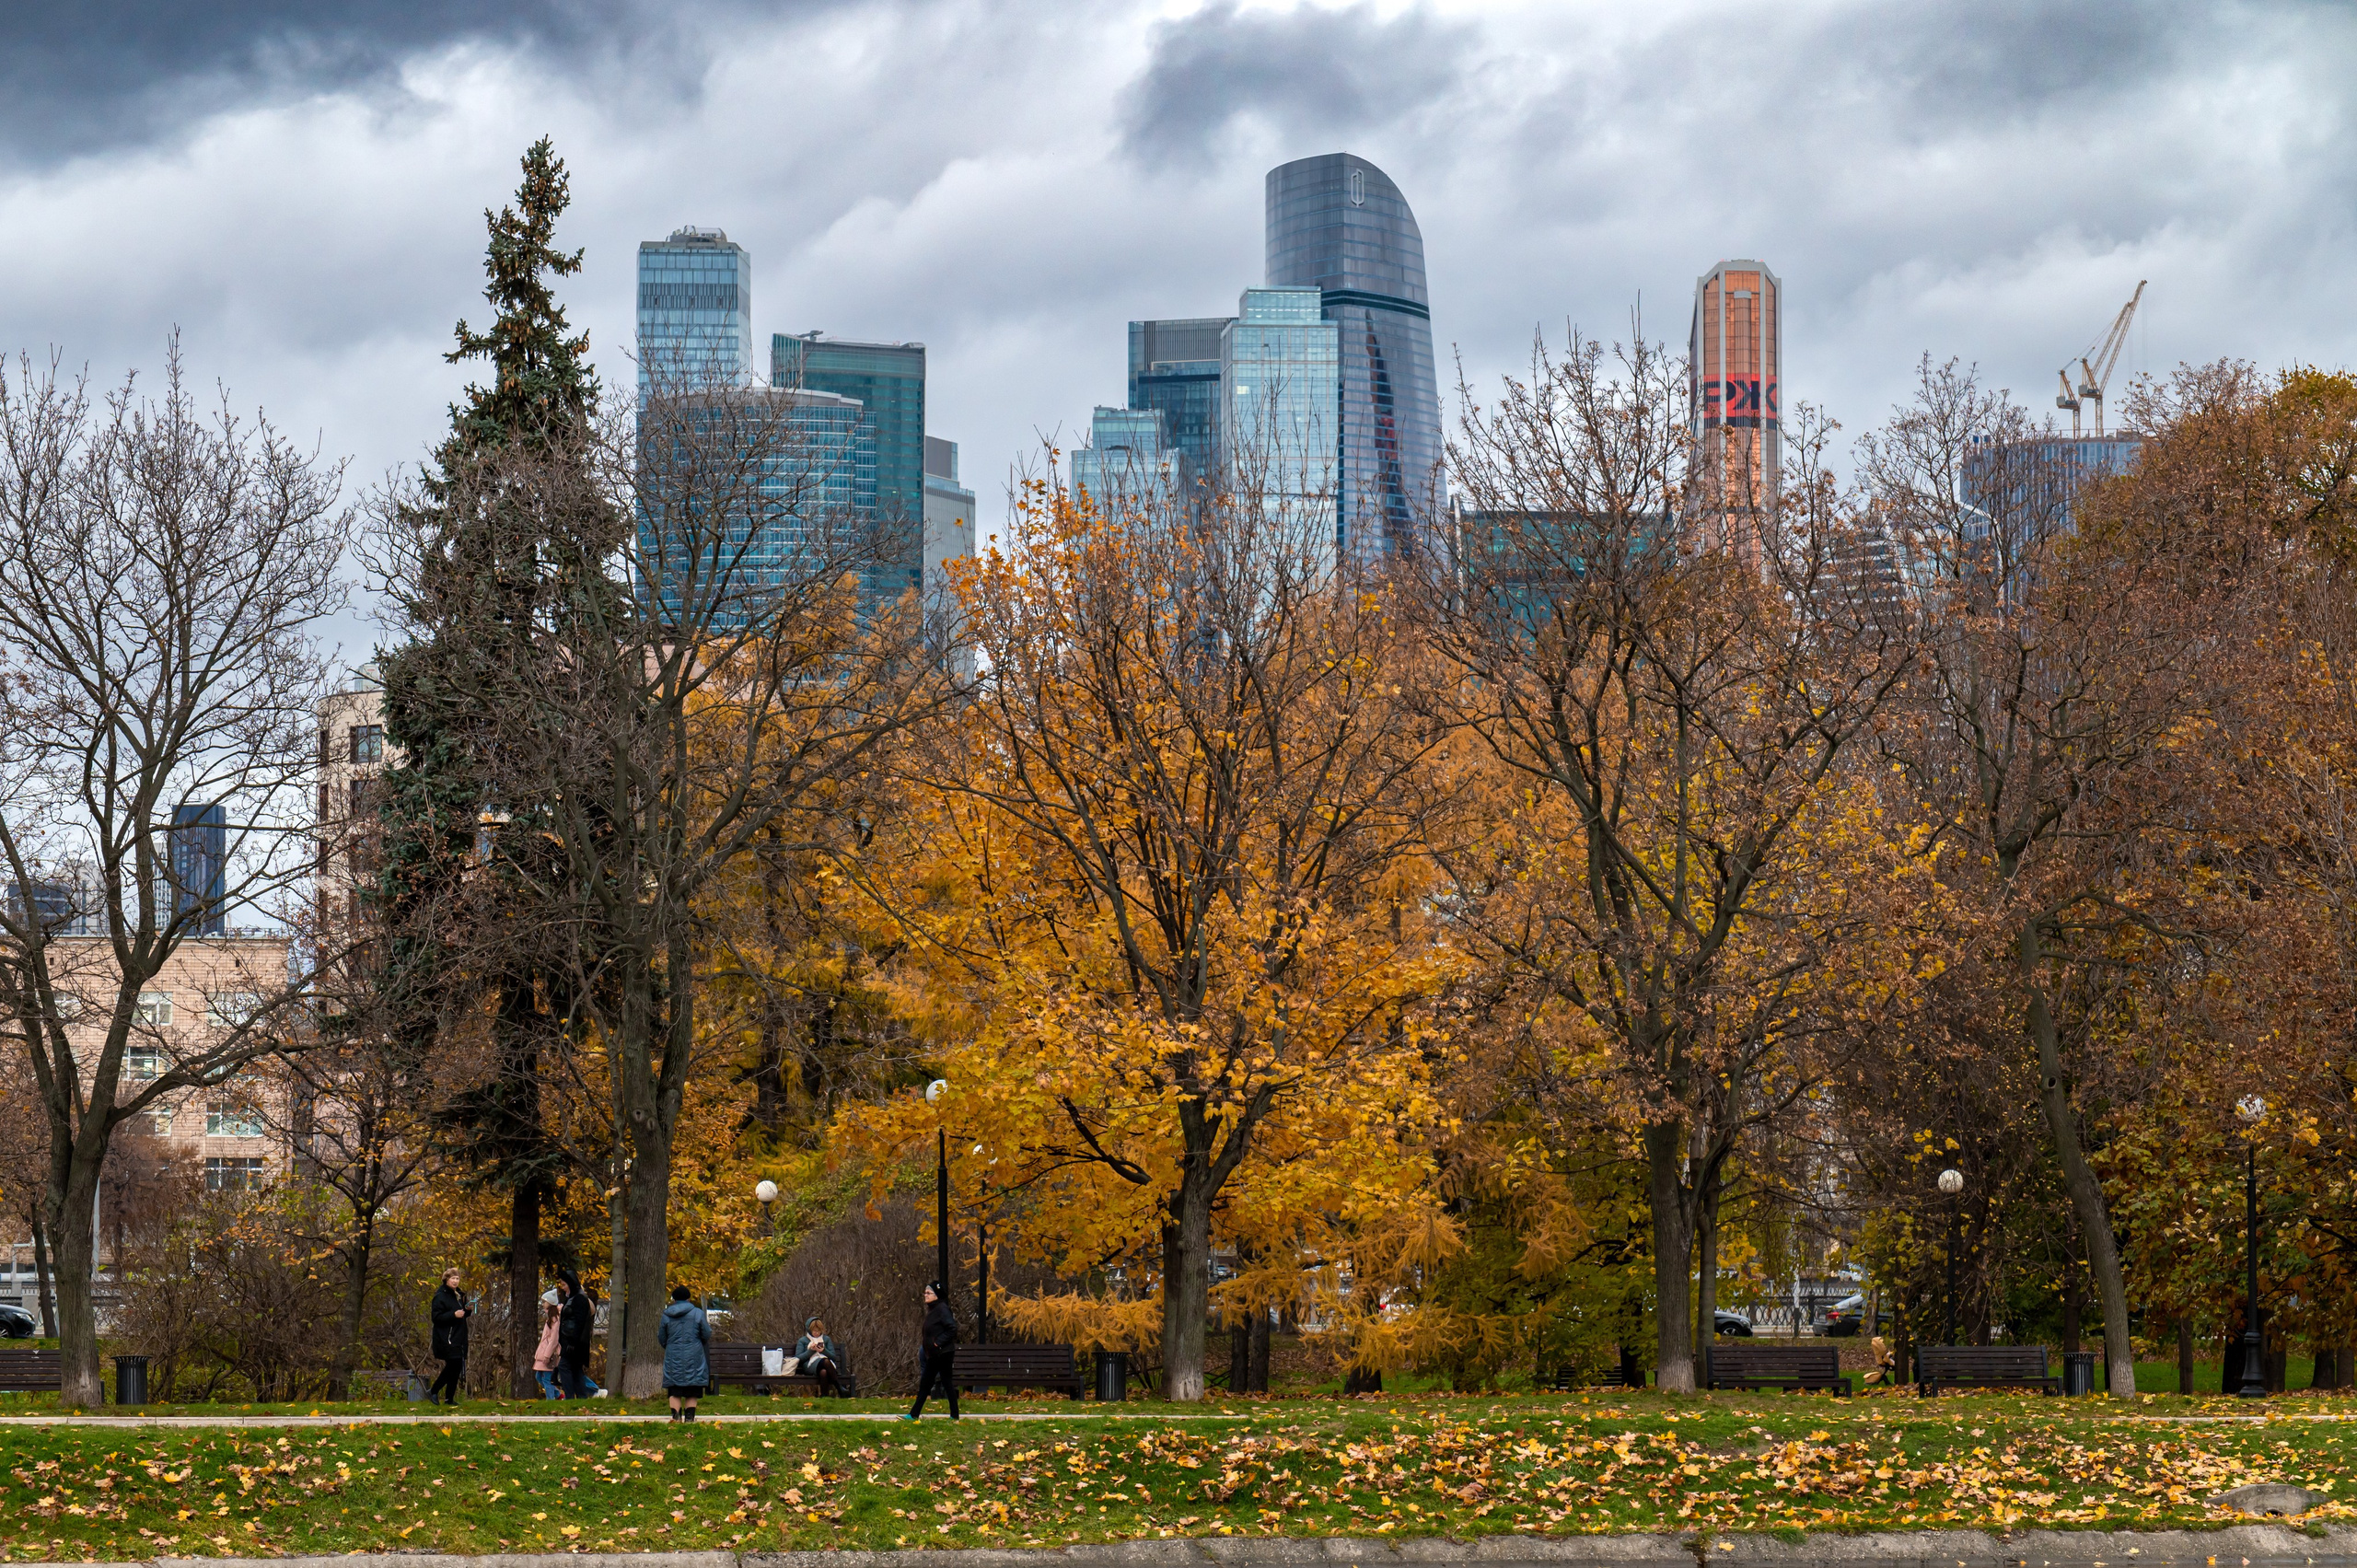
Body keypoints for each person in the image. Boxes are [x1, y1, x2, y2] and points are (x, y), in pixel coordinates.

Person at [905, 1281, 958, 1421]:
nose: (926, 1295)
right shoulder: (933, 1310)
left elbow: (952, 1328)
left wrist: (937, 1343)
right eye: (925, 1292)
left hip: (942, 1353)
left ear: (937, 1295)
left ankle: (914, 1414)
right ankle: (954, 1415)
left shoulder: (942, 1309)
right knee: (937, 1383)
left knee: (930, 1383)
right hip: (935, 1353)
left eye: (929, 1293)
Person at [658, 1284, 710, 1422]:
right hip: (694, 1355)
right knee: (692, 1387)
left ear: (674, 1299)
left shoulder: (666, 1315)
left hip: (673, 1355)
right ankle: (689, 1418)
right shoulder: (697, 1313)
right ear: (688, 1298)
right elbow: (706, 1333)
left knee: (674, 1388)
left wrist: (670, 1346)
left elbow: (662, 1337)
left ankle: (675, 1418)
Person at [555, 1271, 605, 1399]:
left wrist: (573, 1341)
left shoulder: (579, 1298)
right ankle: (581, 1396)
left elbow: (579, 1321)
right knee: (576, 1369)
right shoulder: (572, 1298)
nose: (562, 1287)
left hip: (573, 1341)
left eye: (564, 1284)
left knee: (564, 1366)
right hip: (570, 1340)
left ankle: (570, 1396)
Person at [427, 1268, 469, 1406]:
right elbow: (436, 1317)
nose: (456, 1281)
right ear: (446, 1279)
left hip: (459, 1336)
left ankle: (449, 1399)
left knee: (456, 1367)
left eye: (457, 1278)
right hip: (447, 1337)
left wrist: (467, 1310)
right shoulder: (440, 1296)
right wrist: (453, 1315)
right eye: (453, 1278)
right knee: (453, 1365)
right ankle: (433, 1391)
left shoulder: (459, 1295)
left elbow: (462, 1314)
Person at [795, 1317, 843, 1397]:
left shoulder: (826, 1339)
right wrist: (811, 1350)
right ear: (810, 1330)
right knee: (825, 1361)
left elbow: (833, 1357)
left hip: (827, 1366)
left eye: (819, 1331)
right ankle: (839, 1387)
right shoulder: (803, 1340)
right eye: (814, 1331)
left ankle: (824, 1397)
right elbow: (798, 1358)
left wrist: (823, 1351)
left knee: (824, 1372)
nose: (817, 1333)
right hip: (810, 1366)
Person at [533, 1292, 565, 1400]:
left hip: (548, 1353)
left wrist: (547, 1355)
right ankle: (557, 1395)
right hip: (544, 1351)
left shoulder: (555, 1320)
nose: (543, 1304)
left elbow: (554, 1340)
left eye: (544, 1301)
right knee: (539, 1376)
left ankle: (550, 1399)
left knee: (547, 1378)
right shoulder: (550, 1318)